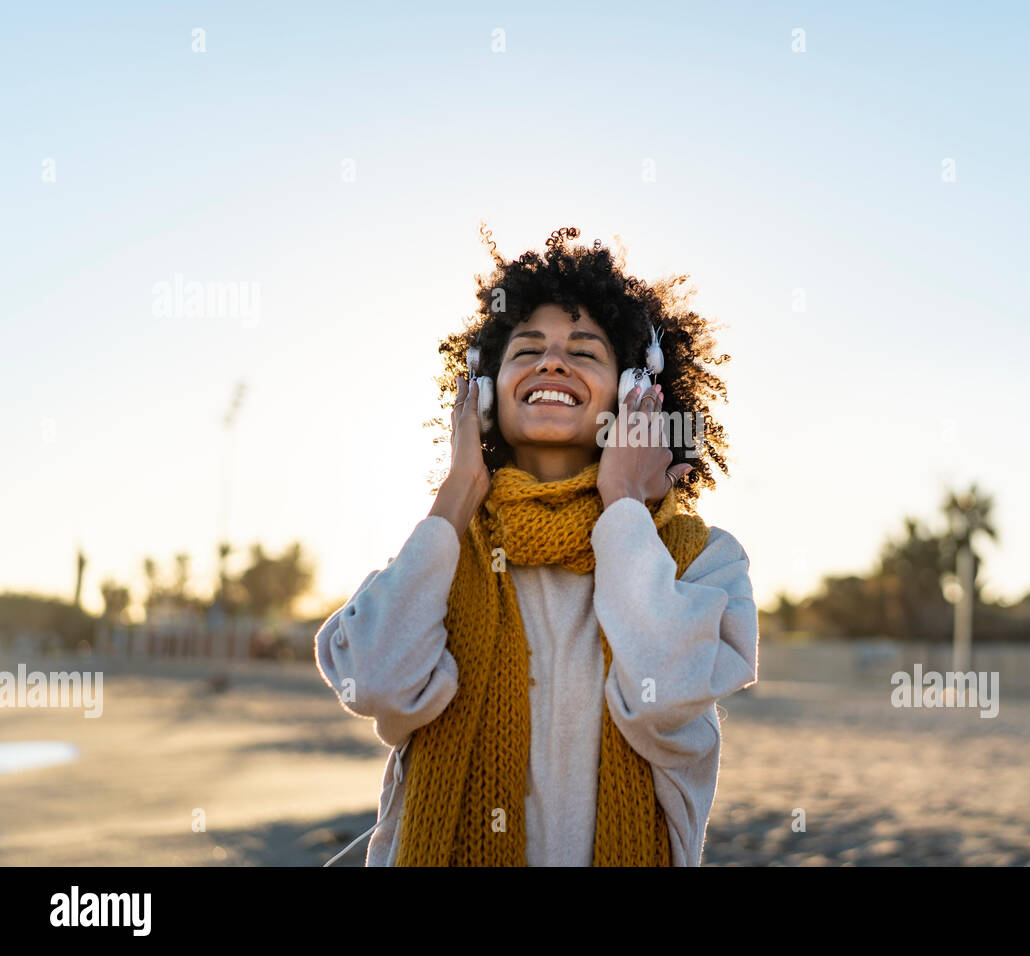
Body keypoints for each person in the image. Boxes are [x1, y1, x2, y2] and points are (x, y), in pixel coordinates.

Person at [314, 225, 758, 866]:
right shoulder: (443, 556)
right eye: (527, 350)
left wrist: (625, 506)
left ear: (635, 392)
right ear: (487, 392)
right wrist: (457, 493)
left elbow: (666, 685)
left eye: (584, 351)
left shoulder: (698, 560)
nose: (553, 362)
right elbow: (376, 683)